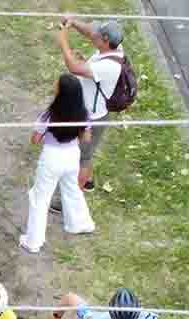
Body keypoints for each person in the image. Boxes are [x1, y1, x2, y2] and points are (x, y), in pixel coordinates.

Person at [20, 74, 93, 255]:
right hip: (72, 155)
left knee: (40, 198)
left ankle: (33, 241)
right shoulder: (84, 112)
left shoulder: (50, 114)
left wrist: (41, 132)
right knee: (71, 189)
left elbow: (35, 140)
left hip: (52, 157)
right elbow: (86, 138)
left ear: (62, 92)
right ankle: (80, 223)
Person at [57, 18, 127, 193]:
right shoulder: (113, 48)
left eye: (97, 35)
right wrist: (72, 22)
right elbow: (89, 31)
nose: (92, 35)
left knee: (82, 158)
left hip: (91, 119)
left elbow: (73, 68)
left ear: (104, 40)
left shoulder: (109, 66)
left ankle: (70, 198)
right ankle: (87, 181)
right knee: (84, 153)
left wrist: (63, 40)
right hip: (88, 113)